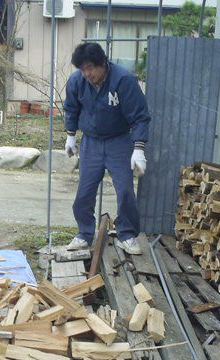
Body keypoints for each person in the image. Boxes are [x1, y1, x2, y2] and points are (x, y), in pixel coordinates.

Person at [63, 42, 151, 255]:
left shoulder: (123, 80)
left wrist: (138, 149)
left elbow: (140, 116)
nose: (87, 73)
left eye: (91, 68)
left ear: (103, 63)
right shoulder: (77, 81)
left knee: (125, 190)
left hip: (119, 141)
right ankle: (84, 233)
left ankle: (127, 234)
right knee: (84, 191)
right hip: (91, 142)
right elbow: (71, 108)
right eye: (83, 69)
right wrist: (71, 136)